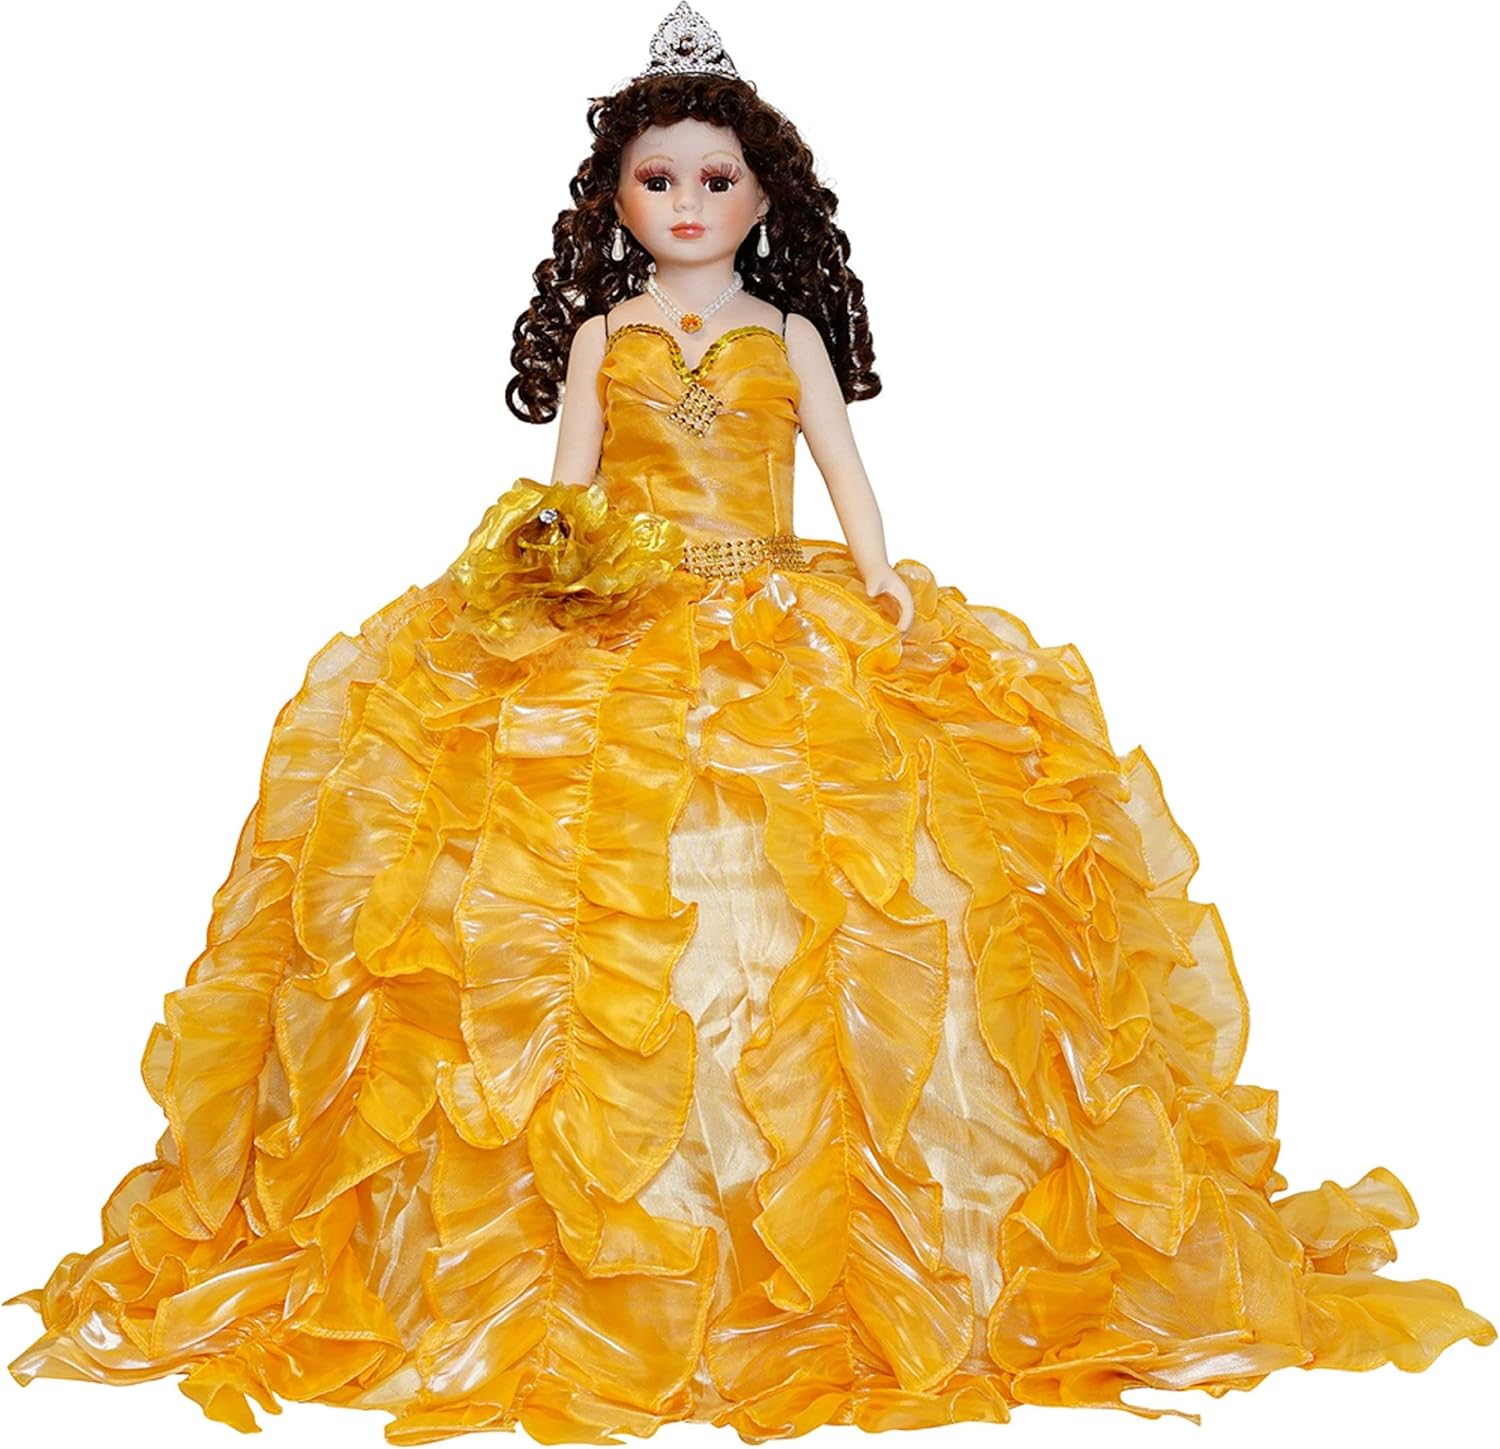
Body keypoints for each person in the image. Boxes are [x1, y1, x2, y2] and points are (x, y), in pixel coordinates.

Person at [7, 4, 1495, 1441]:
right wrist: (547, 568)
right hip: (620, 607)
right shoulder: (605, 333)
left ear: (764, 194)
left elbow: (845, 473)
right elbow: (571, 483)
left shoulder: (787, 332)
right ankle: (588, 1245)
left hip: (786, 600)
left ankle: (856, 1242)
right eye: (658, 179)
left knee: (845, 881)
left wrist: (881, 574)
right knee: (577, 882)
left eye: (716, 178)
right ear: (614, 198)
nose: (688, 202)